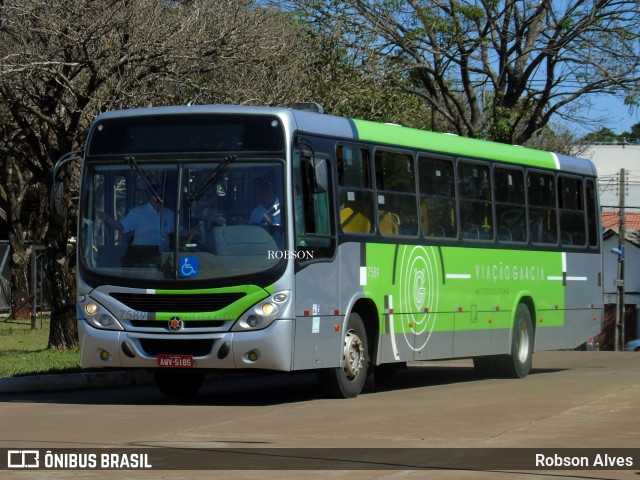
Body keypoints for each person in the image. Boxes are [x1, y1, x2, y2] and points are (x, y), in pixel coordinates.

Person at [98, 187, 174, 252]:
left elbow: (179, 231)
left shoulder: (169, 214)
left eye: (164, 194)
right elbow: (121, 227)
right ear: (152, 196)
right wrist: (107, 218)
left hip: (165, 258)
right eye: (160, 194)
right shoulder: (138, 212)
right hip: (142, 258)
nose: (163, 197)